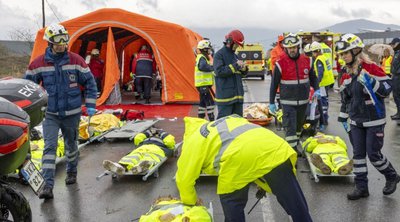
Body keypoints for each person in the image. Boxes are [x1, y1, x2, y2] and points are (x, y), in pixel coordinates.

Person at [176, 115, 313, 222]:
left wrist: (192, 204)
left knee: (232, 201)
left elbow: (183, 180)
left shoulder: (192, 142)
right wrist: (263, 181)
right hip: (276, 147)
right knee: (293, 199)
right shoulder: (224, 121)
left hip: (237, 158)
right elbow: (252, 145)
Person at [24, 23, 97, 199]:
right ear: (49, 42)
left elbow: (90, 83)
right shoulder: (37, 64)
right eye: (58, 42)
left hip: (72, 114)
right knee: (49, 147)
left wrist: (91, 104)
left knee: (71, 146)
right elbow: (28, 88)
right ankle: (47, 186)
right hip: (50, 114)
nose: (62, 45)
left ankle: (72, 171)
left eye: (65, 41)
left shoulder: (76, 61)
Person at [336, 33, 400, 200]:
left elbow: (386, 90)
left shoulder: (371, 68)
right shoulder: (345, 72)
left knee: (373, 154)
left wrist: (372, 82)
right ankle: (361, 187)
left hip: (374, 119)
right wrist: (343, 117)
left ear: (356, 50)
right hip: (356, 120)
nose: (343, 57)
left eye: (345, 53)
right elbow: (346, 97)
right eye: (341, 54)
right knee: (358, 155)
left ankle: (391, 175)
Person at [269, 33, 320, 155]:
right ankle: (292, 154)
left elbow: (313, 77)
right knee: (290, 129)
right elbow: (274, 84)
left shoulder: (307, 61)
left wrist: (317, 89)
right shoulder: (280, 63)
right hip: (287, 103)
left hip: (303, 102)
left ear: (298, 47)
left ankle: (295, 146)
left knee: (298, 128)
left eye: (294, 47)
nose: (292, 50)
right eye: (289, 48)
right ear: (286, 48)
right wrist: (271, 102)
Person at [103, 128, 175, 175]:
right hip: (143, 147)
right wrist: (147, 133)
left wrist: (162, 133)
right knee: (134, 155)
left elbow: (170, 143)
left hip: (157, 148)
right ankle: (120, 166)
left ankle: (140, 166)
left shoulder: (165, 137)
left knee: (150, 156)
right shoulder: (147, 137)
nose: (155, 132)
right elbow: (137, 139)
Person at [213, 29, 248, 119]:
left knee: (237, 127)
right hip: (226, 99)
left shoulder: (234, 55)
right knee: (223, 127)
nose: (237, 47)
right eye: (236, 44)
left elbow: (238, 74)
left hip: (237, 98)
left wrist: (244, 69)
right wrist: (236, 65)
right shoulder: (219, 55)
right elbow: (219, 71)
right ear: (230, 42)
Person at [310, 41, 335, 126]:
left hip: (323, 83)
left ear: (314, 51)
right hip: (328, 82)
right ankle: (325, 118)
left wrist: (317, 83)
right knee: (325, 100)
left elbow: (320, 72)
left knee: (323, 101)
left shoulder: (319, 60)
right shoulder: (324, 57)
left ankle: (324, 120)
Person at [195, 39, 215, 121]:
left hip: (202, 85)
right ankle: (212, 119)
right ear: (205, 49)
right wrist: (212, 68)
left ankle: (200, 118)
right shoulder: (202, 58)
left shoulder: (202, 58)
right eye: (208, 49)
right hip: (203, 85)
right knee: (210, 102)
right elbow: (203, 67)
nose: (210, 51)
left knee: (202, 103)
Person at [270, 35, 285, 108]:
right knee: (280, 100)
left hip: (285, 76)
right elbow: (273, 61)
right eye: (281, 42)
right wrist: (282, 58)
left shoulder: (286, 49)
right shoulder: (275, 50)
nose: (283, 43)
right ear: (279, 42)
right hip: (278, 75)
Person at [389, 37, 400, 120]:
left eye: (393, 44)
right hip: (395, 76)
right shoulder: (396, 53)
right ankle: (398, 112)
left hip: (398, 77)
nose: (392, 46)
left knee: (398, 95)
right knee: (396, 96)